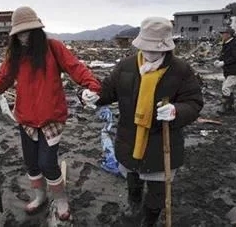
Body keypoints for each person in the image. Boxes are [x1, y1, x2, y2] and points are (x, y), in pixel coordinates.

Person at [0, 6, 101, 220]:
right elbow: (3, 79)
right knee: (31, 162)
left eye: (28, 32)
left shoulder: (53, 48)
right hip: (25, 118)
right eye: (20, 34)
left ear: (36, 31)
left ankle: (61, 200)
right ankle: (40, 195)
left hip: (51, 117)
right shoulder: (15, 55)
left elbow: (76, 68)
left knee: (47, 163)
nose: (24, 37)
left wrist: (92, 86)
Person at [87, 17, 203, 226]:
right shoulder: (126, 67)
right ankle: (134, 203)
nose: (149, 54)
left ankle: (150, 219)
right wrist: (91, 96)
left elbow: (194, 103)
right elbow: (106, 92)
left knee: (158, 191)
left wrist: (177, 110)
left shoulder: (180, 70)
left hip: (162, 144)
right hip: (129, 140)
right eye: (146, 48)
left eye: (155, 50)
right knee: (133, 180)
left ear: (166, 47)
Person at [213, 28, 236, 115]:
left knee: (225, 88)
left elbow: (235, 57)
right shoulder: (227, 43)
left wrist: (223, 62)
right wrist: (218, 60)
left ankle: (224, 106)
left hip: (234, 70)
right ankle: (230, 106)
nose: (222, 35)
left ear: (229, 34)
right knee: (229, 88)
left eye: (223, 33)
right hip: (229, 70)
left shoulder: (235, 44)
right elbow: (224, 55)